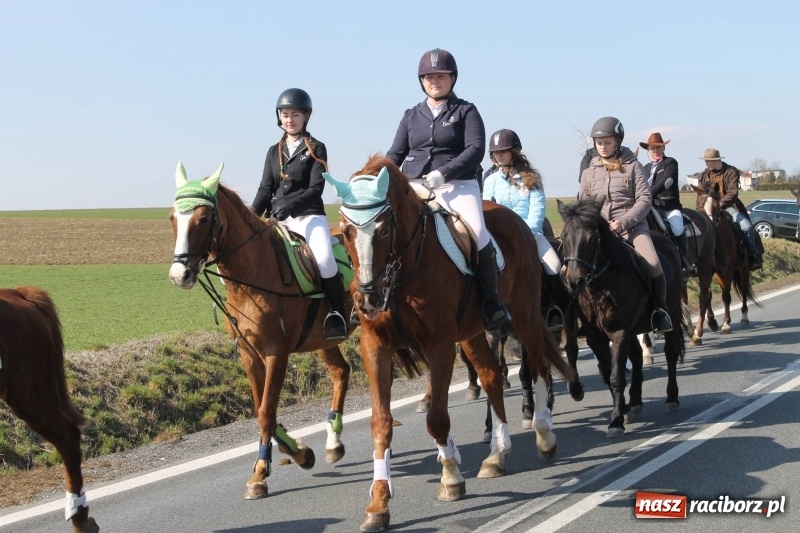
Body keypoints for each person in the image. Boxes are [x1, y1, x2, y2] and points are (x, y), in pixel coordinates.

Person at [386, 48, 510, 330]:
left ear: (452, 78)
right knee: (386, 229)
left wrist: (444, 173)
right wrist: (376, 176)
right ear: (421, 81)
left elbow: (475, 149)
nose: (435, 81)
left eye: (440, 76)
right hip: (415, 185)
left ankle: (491, 301)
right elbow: (396, 153)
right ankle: (376, 297)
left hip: (457, 184)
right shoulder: (410, 115)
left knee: (477, 233)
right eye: (429, 77)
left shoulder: (466, 111)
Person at [250, 88, 348, 340]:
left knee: (324, 259)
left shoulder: (316, 147)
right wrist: (250, 215)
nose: (290, 119)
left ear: (306, 116)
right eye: (285, 114)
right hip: (277, 220)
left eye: (295, 114)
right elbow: (265, 189)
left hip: (308, 217)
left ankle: (337, 314)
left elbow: (316, 189)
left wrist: (289, 206)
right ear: (279, 117)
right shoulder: (273, 151)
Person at [578, 117, 672, 333]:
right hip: (600, 232)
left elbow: (644, 199)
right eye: (599, 143)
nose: (603, 146)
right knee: (570, 268)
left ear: (618, 142)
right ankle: (579, 317)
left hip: (632, 228)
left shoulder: (633, 167)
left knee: (653, 263)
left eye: (607, 142)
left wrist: (623, 221)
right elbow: (584, 203)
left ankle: (660, 311)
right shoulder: (589, 172)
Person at [482, 128, 564, 332]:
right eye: (496, 152)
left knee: (554, 265)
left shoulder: (532, 178)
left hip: (530, 234)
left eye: (503, 151)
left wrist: (525, 235)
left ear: (514, 151)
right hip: (500, 237)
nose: (499, 155)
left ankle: (554, 310)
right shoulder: (490, 181)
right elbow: (487, 209)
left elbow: (537, 209)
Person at [697, 148, 762, 270]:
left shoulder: (731, 171)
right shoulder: (704, 175)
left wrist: (720, 203)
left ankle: (753, 256)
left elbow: (733, 192)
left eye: (708, 161)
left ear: (716, 160)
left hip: (729, 207)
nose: (706, 163)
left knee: (746, 227)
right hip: (708, 208)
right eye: (705, 161)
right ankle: (696, 263)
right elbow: (700, 194)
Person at [640, 132, 693, 277]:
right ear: (648, 150)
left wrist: (648, 194)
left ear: (663, 148)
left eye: (658, 148)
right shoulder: (644, 168)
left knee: (677, 228)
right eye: (652, 148)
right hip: (649, 205)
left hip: (668, 205)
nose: (655, 151)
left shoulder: (670, 163)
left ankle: (684, 262)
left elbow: (666, 182)